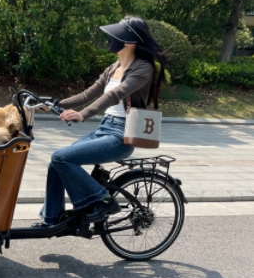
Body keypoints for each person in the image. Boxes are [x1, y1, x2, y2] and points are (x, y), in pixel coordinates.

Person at [34, 15, 166, 227]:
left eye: (116, 36)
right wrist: (55, 104)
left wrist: (83, 114)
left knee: (61, 158)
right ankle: (52, 219)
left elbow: (114, 95)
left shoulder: (143, 68)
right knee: (56, 163)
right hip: (104, 129)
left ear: (130, 42)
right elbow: (88, 93)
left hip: (121, 136)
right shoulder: (114, 67)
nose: (111, 40)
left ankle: (103, 200)